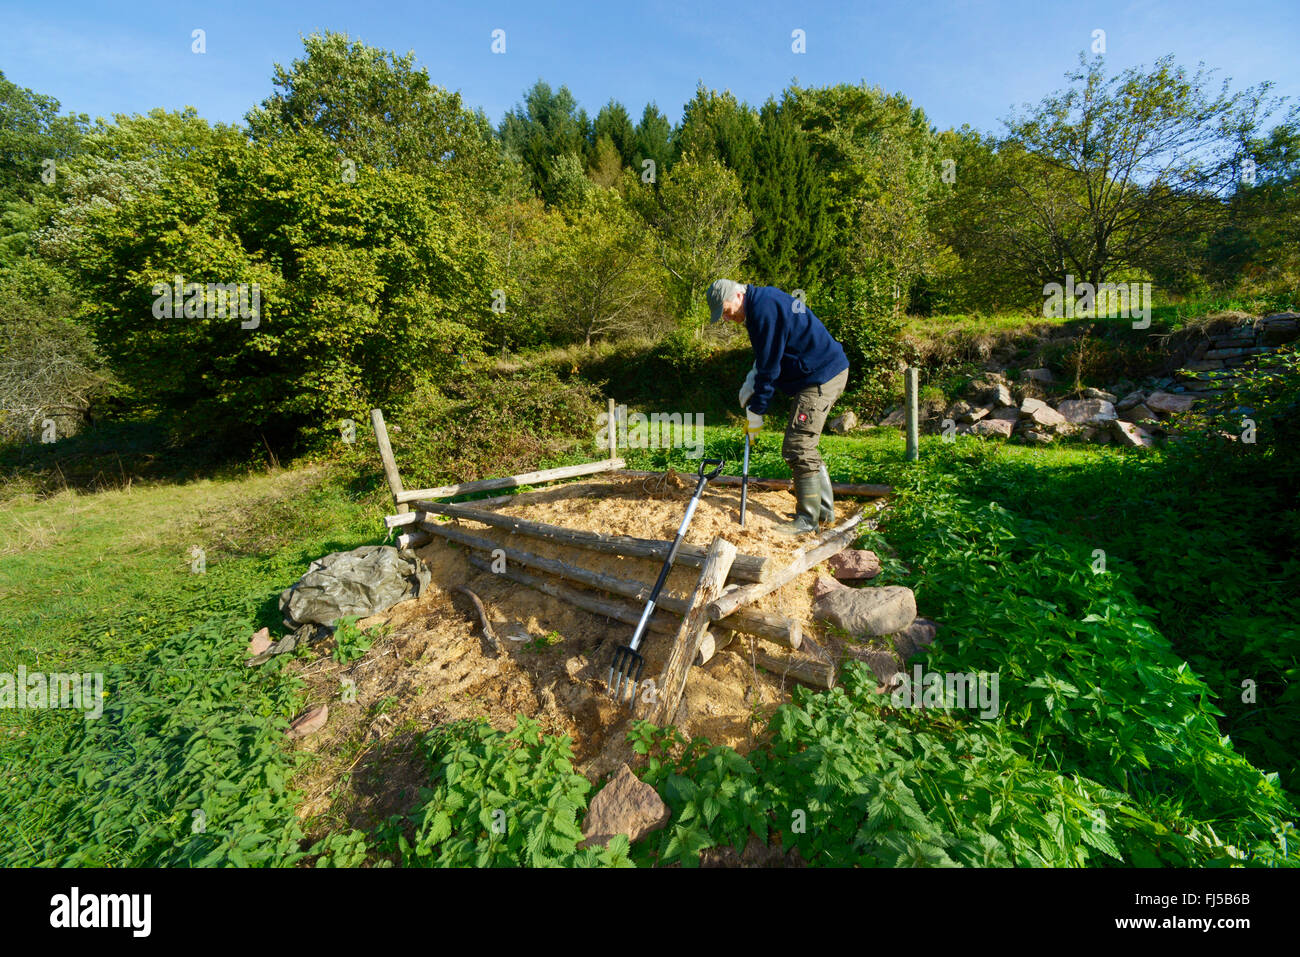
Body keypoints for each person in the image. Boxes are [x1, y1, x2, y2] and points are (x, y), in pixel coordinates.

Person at [707, 278, 850, 536]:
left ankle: (807, 520)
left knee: (798, 446)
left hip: (821, 376)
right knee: (805, 445)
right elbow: (768, 356)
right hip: (823, 372)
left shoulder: (763, 309)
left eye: (726, 312)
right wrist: (754, 377)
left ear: (738, 296)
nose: (727, 319)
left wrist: (757, 412)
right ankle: (824, 513)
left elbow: (771, 368)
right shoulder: (761, 303)